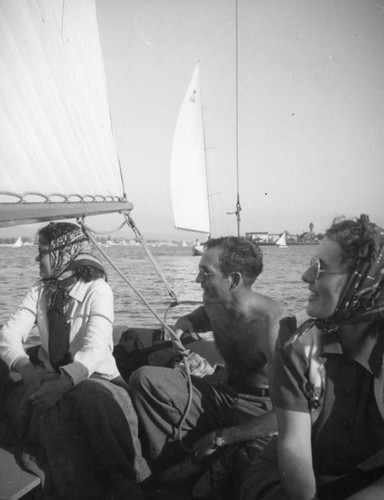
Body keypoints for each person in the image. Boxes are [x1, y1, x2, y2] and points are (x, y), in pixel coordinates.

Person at [0, 222, 149, 499]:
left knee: (86, 397)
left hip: (96, 379)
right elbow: (8, 334)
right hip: (47, 376)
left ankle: (124, 483)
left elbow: (96, 348)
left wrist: (66, 381)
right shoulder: (40, 290)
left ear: (63, 253)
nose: (36, 258)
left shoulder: (97, 290)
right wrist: (26, 369)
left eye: (42, 251)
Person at [239, 215, 384, 500]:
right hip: (289, 476)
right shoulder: (295, 338)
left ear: (363, 282)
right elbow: (293, 447)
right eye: (310, 264)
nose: (305, 277)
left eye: (321, 268)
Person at [129, 236, 285, 489]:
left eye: (205, 273)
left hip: (262, 408)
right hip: (224, 393)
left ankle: (192, 467)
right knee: (145, 379)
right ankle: (167, 470)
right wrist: (183, 327)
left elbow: (291, 412)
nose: (197, 280)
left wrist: (222, 438)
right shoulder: (215, 304)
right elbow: (192, 319)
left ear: (233, 280)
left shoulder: (272, 325)